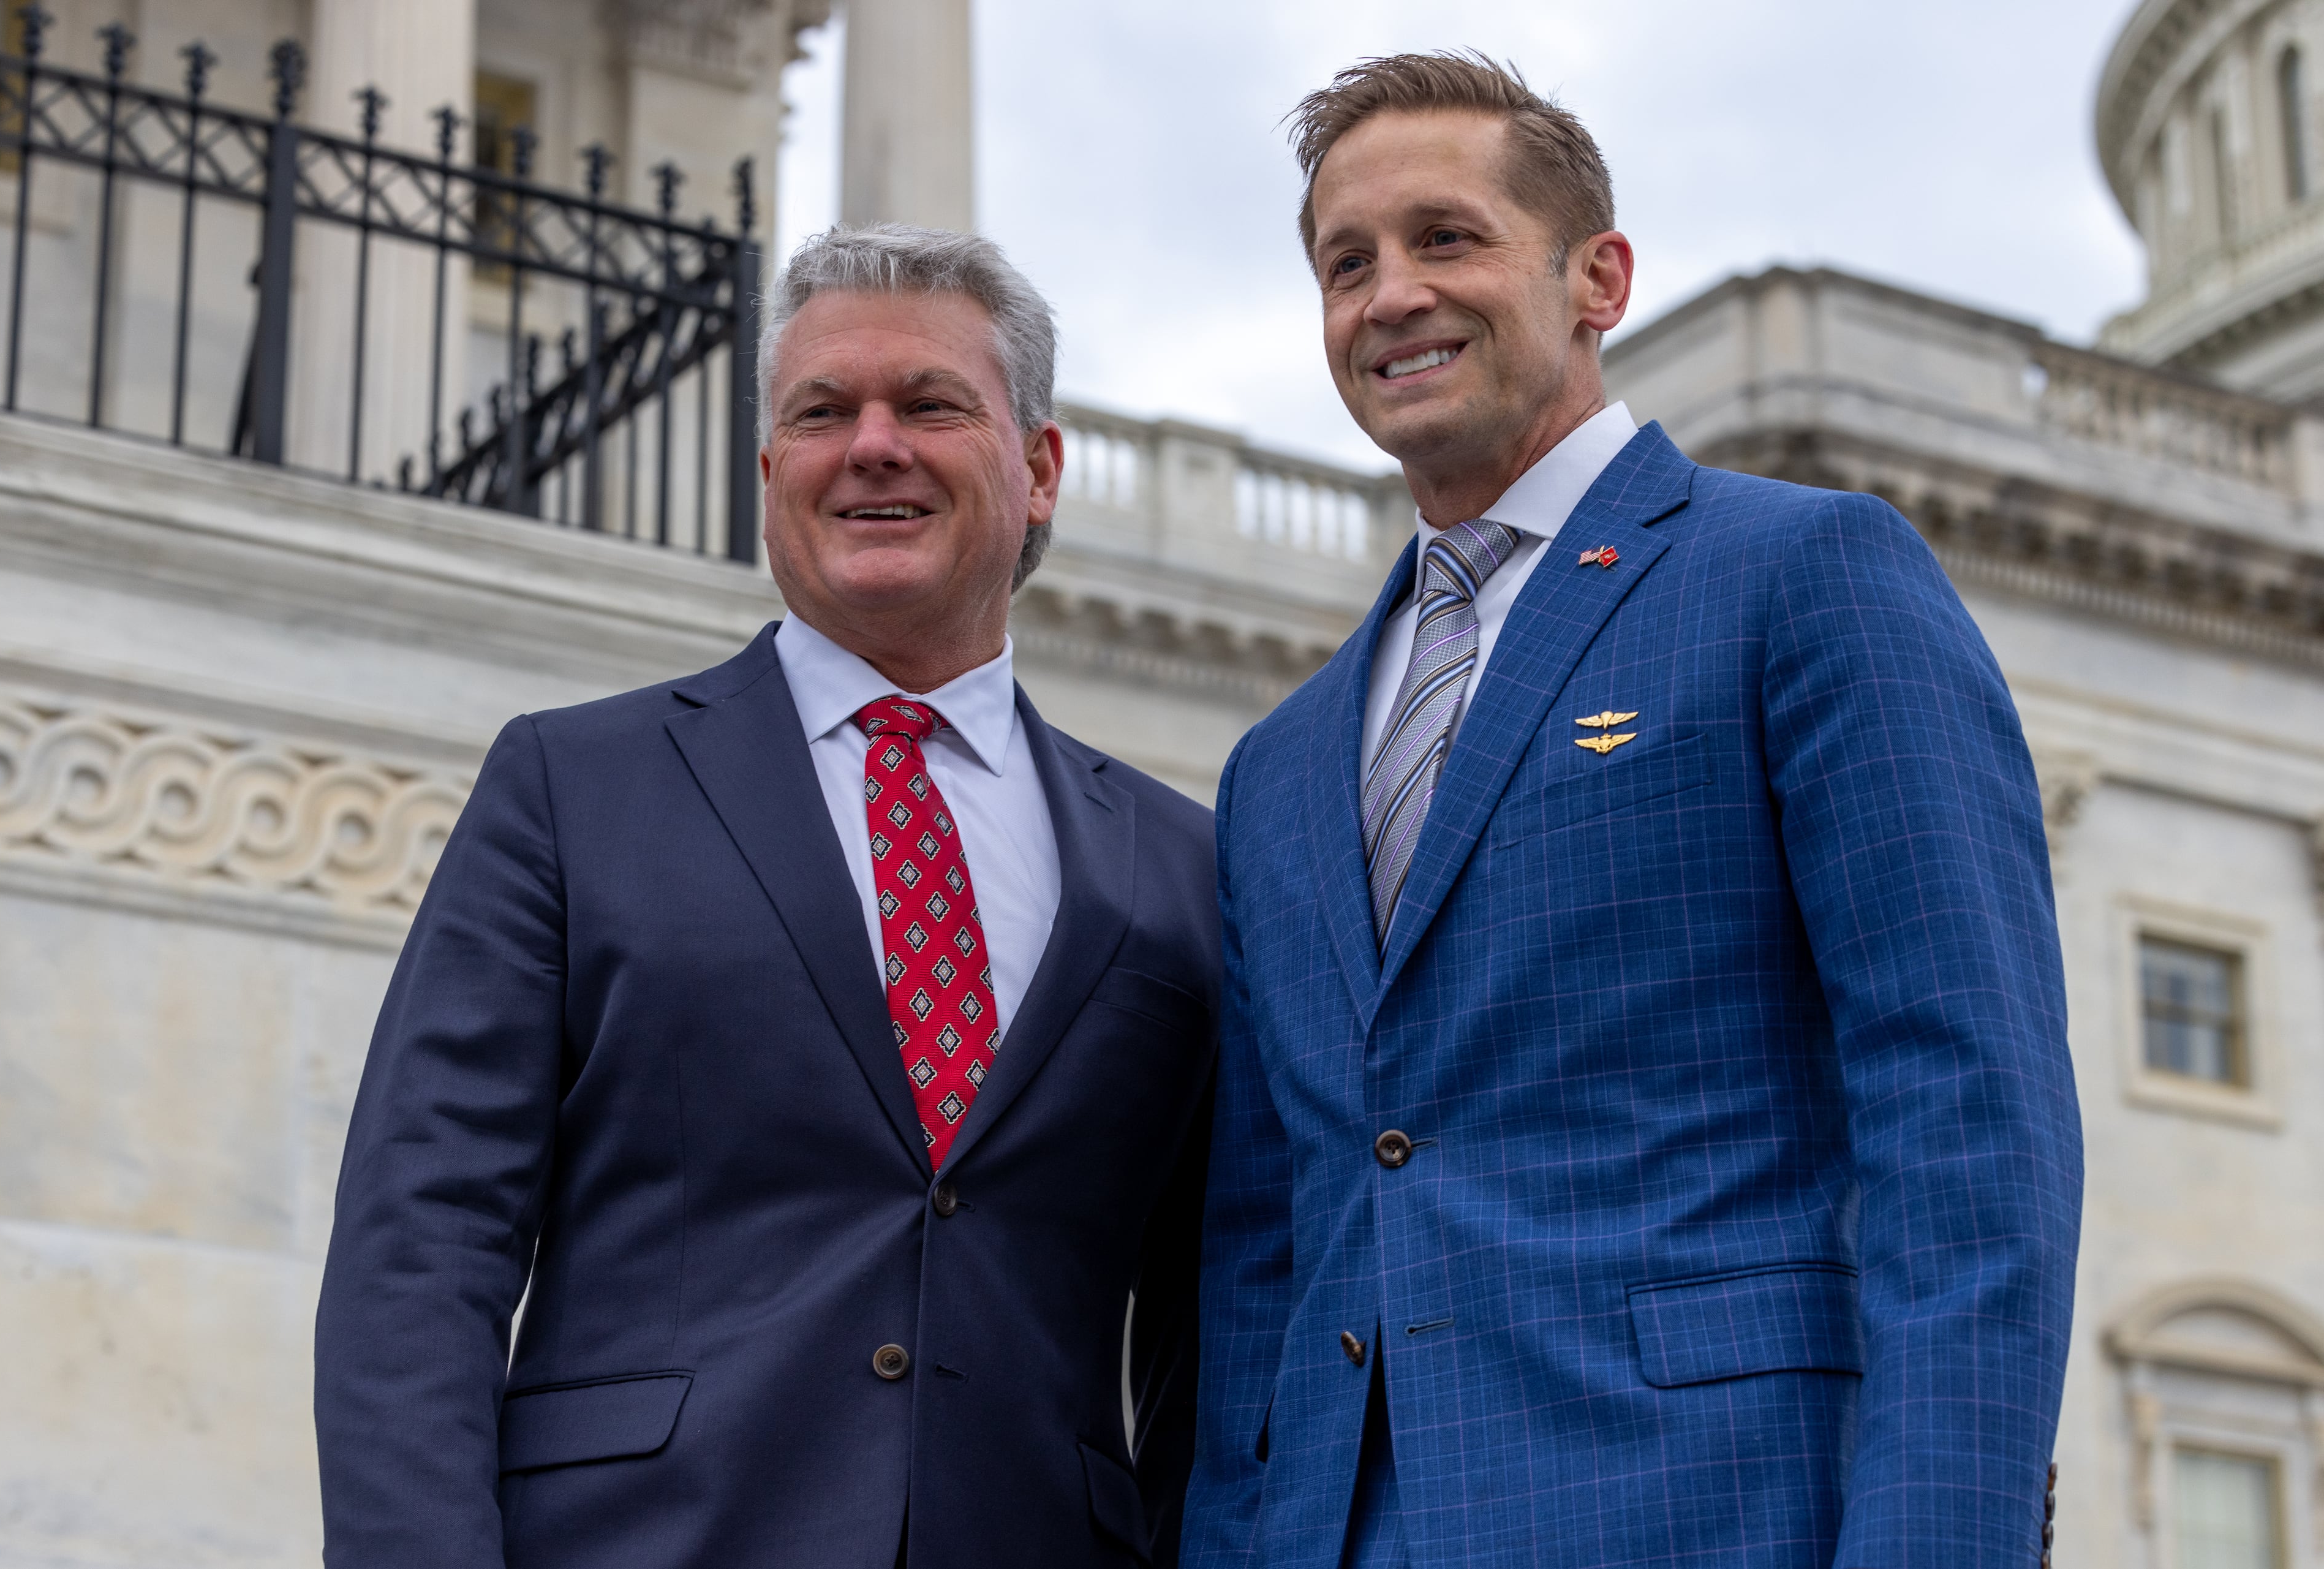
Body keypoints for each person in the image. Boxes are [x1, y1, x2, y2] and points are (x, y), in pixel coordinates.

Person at [1187, 53, 2082, 1569]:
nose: (1390, 293)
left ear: (1597, 276)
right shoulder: (1277, 761)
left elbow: (1970, 1125)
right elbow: (1264, 1251)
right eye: (1348, 263)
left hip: (1714, 1515)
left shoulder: (1802, 575)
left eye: (1446, 238)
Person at [316, 224, 1216, 1569]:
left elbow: (1218, 1328)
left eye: (928, 404)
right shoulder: (572, 787)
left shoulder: (1180, 862)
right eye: (820, 413)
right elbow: (423, 1241)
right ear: (767, 474)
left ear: (1037, 470)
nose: (872, 445)